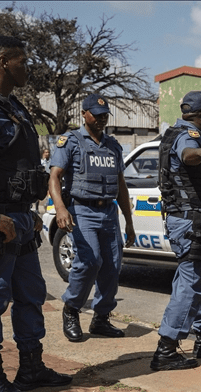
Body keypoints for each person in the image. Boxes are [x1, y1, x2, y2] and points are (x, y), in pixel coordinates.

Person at [0, 35, 71, 392]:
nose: (27, 67)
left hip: (20, 219)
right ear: (2, 61)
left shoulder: (12, 106)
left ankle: (31, 367)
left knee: (30, 296)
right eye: (22, 61)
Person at [49, 94, 136, 343]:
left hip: (109, 211)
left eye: (104, 115)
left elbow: (121, 185)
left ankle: (101, 318)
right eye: (96, 115)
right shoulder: (71, 141)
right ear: (84, 115)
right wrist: (60, 208)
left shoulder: (113, 146)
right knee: (89, 261)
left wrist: (128, 221)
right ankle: (72, 309)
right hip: (82, 210)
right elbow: (54, 177)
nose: (101, 120)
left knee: (111, 266)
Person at [152, 91, 201, 371]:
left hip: (194, 220)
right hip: (190, 222)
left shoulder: (175, 131)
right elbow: (189, 156)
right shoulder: (189, 137)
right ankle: (166, 348)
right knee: (191, 285)